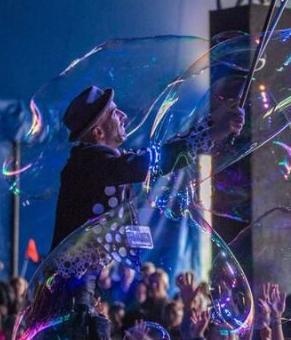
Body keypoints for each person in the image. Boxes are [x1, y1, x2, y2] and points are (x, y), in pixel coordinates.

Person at [51, 84, 244, 249]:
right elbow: (152, 162)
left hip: (84, 279)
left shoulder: (100, 161)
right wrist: (214, 133)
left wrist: (213, 122)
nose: (123, 115)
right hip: (72, 285)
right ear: (98, 132)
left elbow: (162, 152)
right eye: (114, 113)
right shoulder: (90, 164)